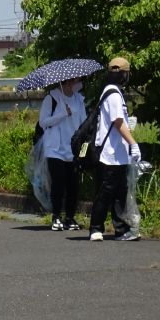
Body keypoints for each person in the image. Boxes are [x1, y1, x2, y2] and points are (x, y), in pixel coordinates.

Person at [89, 57, 142, 241]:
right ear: (124, 74)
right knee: (106, 191)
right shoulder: (113, 94)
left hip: (118, 153)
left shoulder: (114, 92)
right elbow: (118, 122)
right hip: (109, 154)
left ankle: (121, 230)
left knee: (119, 192)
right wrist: (133, 143)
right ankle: (96, 228)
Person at [38, 77, 86, 231]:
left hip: (72, 148)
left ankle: (70, 218)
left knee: (73, 185)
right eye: (75, 81)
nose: (78, 83)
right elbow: (43, 122)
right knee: (58, 184)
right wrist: (62, 114)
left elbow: (83, 122)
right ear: (67, 82)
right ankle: (56, 216)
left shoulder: (79, 99)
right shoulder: (51, 98)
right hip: (55, 148)